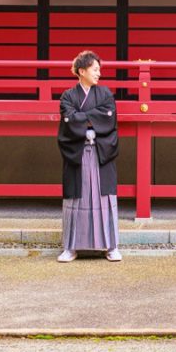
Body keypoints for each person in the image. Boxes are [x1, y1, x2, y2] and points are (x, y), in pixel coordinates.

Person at [56, 50, 121, 263]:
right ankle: (70, 247)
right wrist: (93, 119)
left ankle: (110, 246)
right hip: (78, 153)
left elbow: (108, 117)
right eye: (95, 69)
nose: (99, 73)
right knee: (77, 199)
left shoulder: (105, 94)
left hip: (101, 152)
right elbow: (69, 119)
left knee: (104, 199)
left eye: (99, 70)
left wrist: (82, 119)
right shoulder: (68, 96)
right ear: (81, 71)